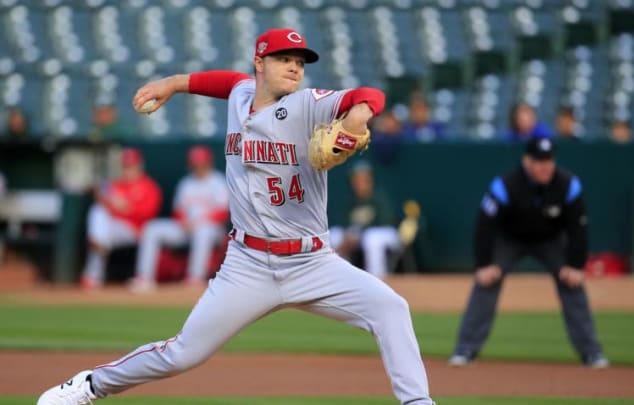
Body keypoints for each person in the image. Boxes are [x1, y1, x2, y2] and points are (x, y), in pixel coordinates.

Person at [38, 28, 435, 405]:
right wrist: (174, 83)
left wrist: (357, 116)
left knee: (390, 308)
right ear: (259, 63)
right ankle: (88, 386)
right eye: (284, 59)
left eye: (300, 60)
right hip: (247, 265)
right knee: (181, 354)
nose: (295, 67)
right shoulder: (242, 94)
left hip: (312, 261)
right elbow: (227, 82)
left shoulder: (308, 103)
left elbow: (369, 95)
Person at [448, 137, 609, 369]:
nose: (544, 166)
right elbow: (484, 225)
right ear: (527, 161)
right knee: (486, 282)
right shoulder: (506, 185)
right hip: (510, 239)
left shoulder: (567, 184)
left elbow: (579, 227)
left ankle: (591, 352)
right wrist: (484, 264)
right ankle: (465, 349)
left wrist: (576, 265)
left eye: (548, 160)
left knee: (572, 284)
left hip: (551, 240)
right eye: (538, 161)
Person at [128, 145, 229, 292]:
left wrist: (199, 222)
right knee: (152, 228)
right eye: (195, 164)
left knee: (203, 231)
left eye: (201, 163)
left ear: (208, 163)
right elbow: (178, 211)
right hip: (186, 227)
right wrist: (183, 221)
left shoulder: (218, 181)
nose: (198, 167)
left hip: (212, 229)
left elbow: (223, 213)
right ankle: (144, 278)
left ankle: (195, 278)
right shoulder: (186, 183)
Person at [79, 147, 163, 290]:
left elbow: (149, 213)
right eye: (125, 166)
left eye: (131, 166)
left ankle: (96, 261)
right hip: (113, 228)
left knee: (100, 233)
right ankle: (93, 276)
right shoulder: (115, 184)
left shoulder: (148, 186)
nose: (128, 170)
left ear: (139, 166)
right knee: (98, 212)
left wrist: (127, 208)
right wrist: (106, 199)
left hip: (134, 229)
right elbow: (97, 190)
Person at [329, 160, 402, 279]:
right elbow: (342, 223)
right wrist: (349, 235)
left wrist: (357, 234)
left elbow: (385, 222)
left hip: (387, 234)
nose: (360, 184)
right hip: (359, 234)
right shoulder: (349, 199)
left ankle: (378, 279)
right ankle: (341, 279)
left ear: (371, 180)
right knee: (334, 235)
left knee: (372, 239)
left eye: (364, 180)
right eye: (357, 180)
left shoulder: (379, 197)